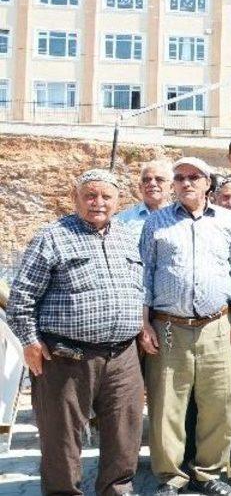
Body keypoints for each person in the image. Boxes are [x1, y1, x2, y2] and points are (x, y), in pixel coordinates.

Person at [9, 169, 145, 496]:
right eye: (90, 195)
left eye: (106, 196)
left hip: (123, 356)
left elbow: (139, 289)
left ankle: (117, 490)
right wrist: (30, 341)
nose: (98, 202)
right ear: (76, 198)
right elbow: (21, 297)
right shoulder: (52, 237)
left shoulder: (127, 236)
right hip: (66, 358)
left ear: (118, 201)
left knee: (124, 434)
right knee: (62, 438)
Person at [139, 157, 231, 496]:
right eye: (180, 177)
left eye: (194, 177)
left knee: (218, 403)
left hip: (217, 325)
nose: (186, 183)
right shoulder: (156, 222)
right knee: (166, 406)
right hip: (168, 327)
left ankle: (209, 473)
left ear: (207, 183)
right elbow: (144, 274)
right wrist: (144, 323)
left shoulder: (227, 221)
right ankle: (170, 477)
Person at [114, 159, 172, 237]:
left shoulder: (183, 219)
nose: (152, 183)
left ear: (172, 187)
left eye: (159, 179)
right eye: (146, 180)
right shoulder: (122, 220)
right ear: (140, 187)